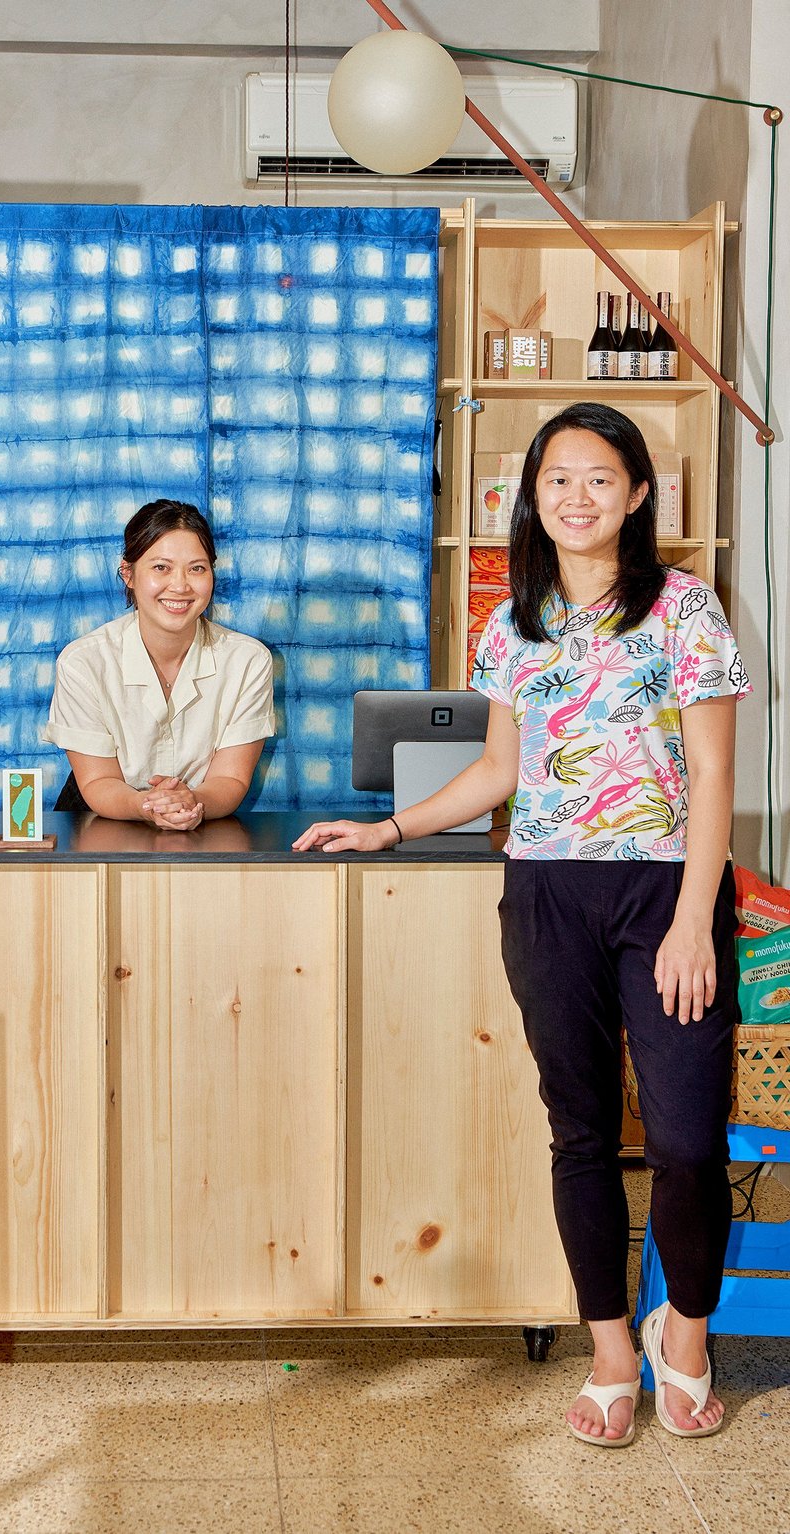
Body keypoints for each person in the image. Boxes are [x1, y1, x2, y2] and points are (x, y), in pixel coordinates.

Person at [292, 402, 751, 1446]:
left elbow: (715, 774)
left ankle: (684, 1328)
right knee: (580, 1130)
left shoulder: (687, 609)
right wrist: (391, 828)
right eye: (556, 480)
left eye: (598, 478)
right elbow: (501, 770)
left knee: (684, 1138)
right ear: (529, 498)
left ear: (638, 494)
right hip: (546, 891)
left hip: (662, 892)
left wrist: (691, 920)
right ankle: (607, 1353)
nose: (576, 497)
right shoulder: (514, 620)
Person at [45, 499, 274, 830]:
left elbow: (230, 778)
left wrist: (192, 802)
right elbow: (98, 782)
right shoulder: (83, 661)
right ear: (129, 574)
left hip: (200, 819)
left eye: (197, 568)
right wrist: (147, 805)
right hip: (100, 820)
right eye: (161, 568)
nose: (180, 586)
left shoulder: (248, 660)